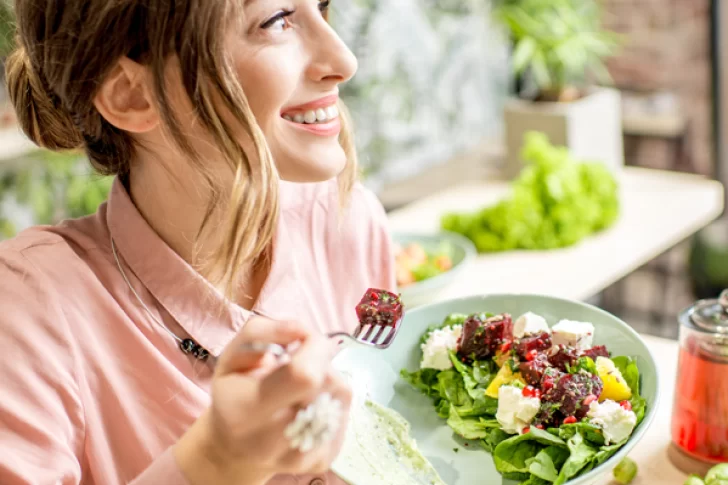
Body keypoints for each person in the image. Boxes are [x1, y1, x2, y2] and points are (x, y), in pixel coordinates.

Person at [0, 0, 395, 484]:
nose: (343, 60)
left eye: (321, 6)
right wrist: (215, 462)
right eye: (276, 20)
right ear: (131, 95)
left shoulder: (346, 221)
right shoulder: (25, 313)